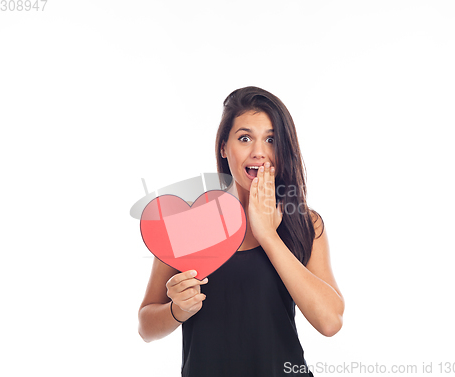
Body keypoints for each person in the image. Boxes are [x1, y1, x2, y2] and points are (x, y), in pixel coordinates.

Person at [138, 86, 345, 376]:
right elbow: (146, 327)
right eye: (245, 138)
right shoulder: (187, 222)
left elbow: (330, 322)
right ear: (224, 147)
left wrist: (268, 235)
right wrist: (177, 310)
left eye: (271, 139)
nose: (259, 152)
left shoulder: (305, 224)